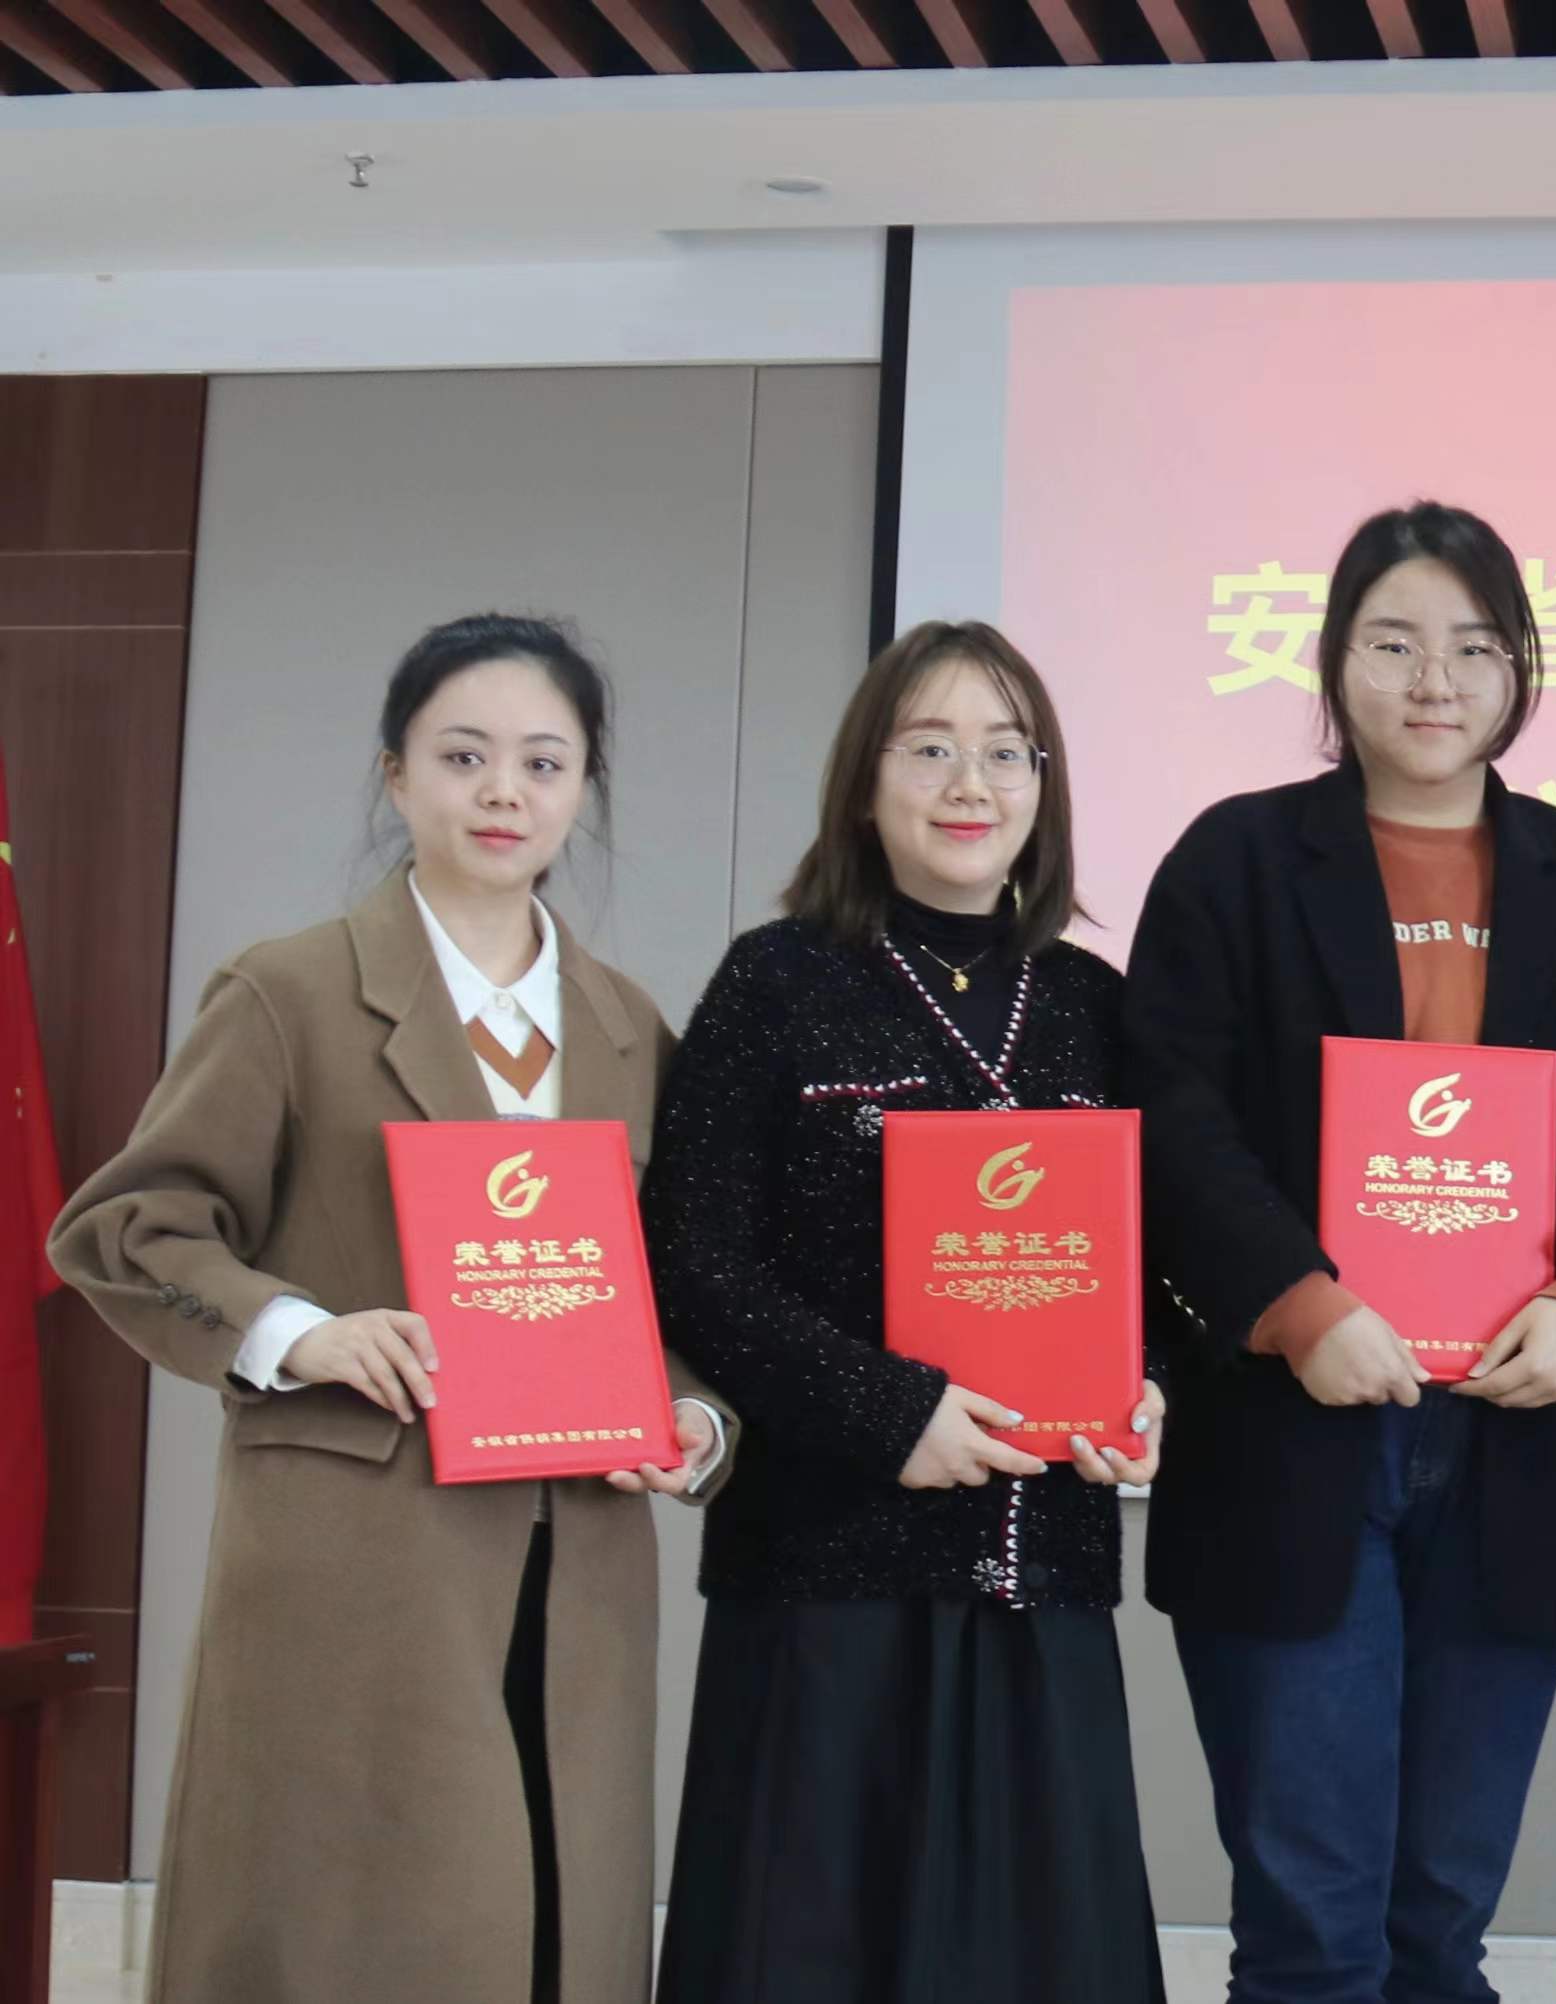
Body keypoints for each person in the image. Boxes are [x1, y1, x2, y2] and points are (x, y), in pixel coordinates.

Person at [50, 614, 731, 2004]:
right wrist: (298, 1332)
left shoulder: (627, 1027)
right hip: (358, 1557)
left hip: (577, 1557)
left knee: (554, 1930)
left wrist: (694, 1419)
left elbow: (681, 1289)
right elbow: (126, 1228)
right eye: (463, 756)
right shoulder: (288, 991)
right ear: (395, 774)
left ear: (582, 789)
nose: (503, 792)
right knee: (355, 1936)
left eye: (543, 762)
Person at [1124, 500, 1556, 2003]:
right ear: (1334, 661)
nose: (1433, 680)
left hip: (1514, 1432)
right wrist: (1298, 1305)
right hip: (1290, 1429)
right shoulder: (1236, 864)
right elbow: (1172, 1114)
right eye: (1393, 644)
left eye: (1472, 647)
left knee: (1440, 1921)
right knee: (1311, 1930)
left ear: (1519, 671)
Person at [645, 620, 1168, 2004]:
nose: (970, 783)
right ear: (865, 780)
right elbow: (694, 1257)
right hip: (827, 1568)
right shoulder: (776, 981)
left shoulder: (1093, 1005)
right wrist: (891, 1414)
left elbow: (1162, 1263)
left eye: (1007, 751)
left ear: (1045, 785)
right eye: (928, 747)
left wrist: (1148, 1387)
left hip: (1039, 1567)